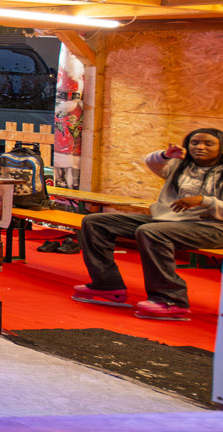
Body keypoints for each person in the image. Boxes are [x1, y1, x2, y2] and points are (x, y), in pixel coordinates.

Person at [73, 129, 223, 320]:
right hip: (169, 221)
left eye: (208, 144)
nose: (199, 147)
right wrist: (166, 155)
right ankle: (107, 286)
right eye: (194, 143)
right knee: (95, 222)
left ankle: (171, 300)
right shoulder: (181, 166)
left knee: (151, 232)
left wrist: (204, 200)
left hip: (213, 228)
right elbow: (153, 163)